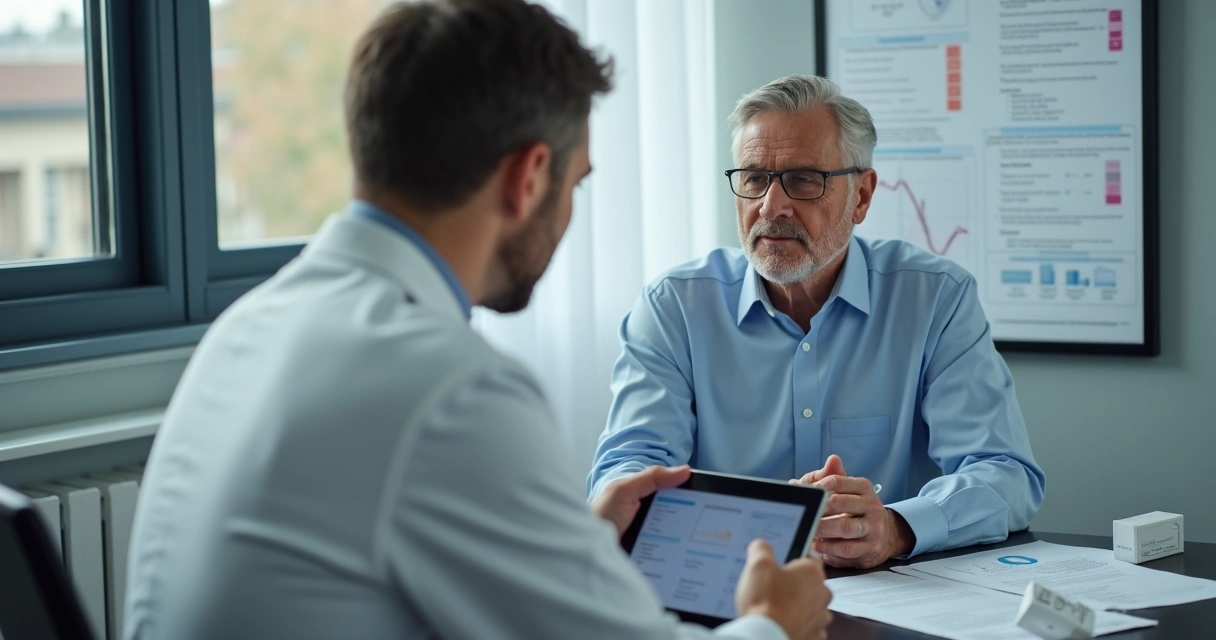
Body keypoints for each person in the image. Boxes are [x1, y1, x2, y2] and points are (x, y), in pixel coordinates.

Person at [122, 2, 832, 639]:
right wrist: (772, 624)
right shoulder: (449, 391)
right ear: (527, 179)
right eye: (576, 182)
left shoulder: (253, 324)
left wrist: (568, 545)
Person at [588, 74, 1046, 570]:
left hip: (889, 599)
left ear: (862, 197)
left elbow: (1004, 474)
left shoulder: (936, 299)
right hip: (724, 587)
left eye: (805, 179)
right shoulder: (673, 306)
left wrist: (896, 527)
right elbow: (626, 470)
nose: (772, 206)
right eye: (754, 178)